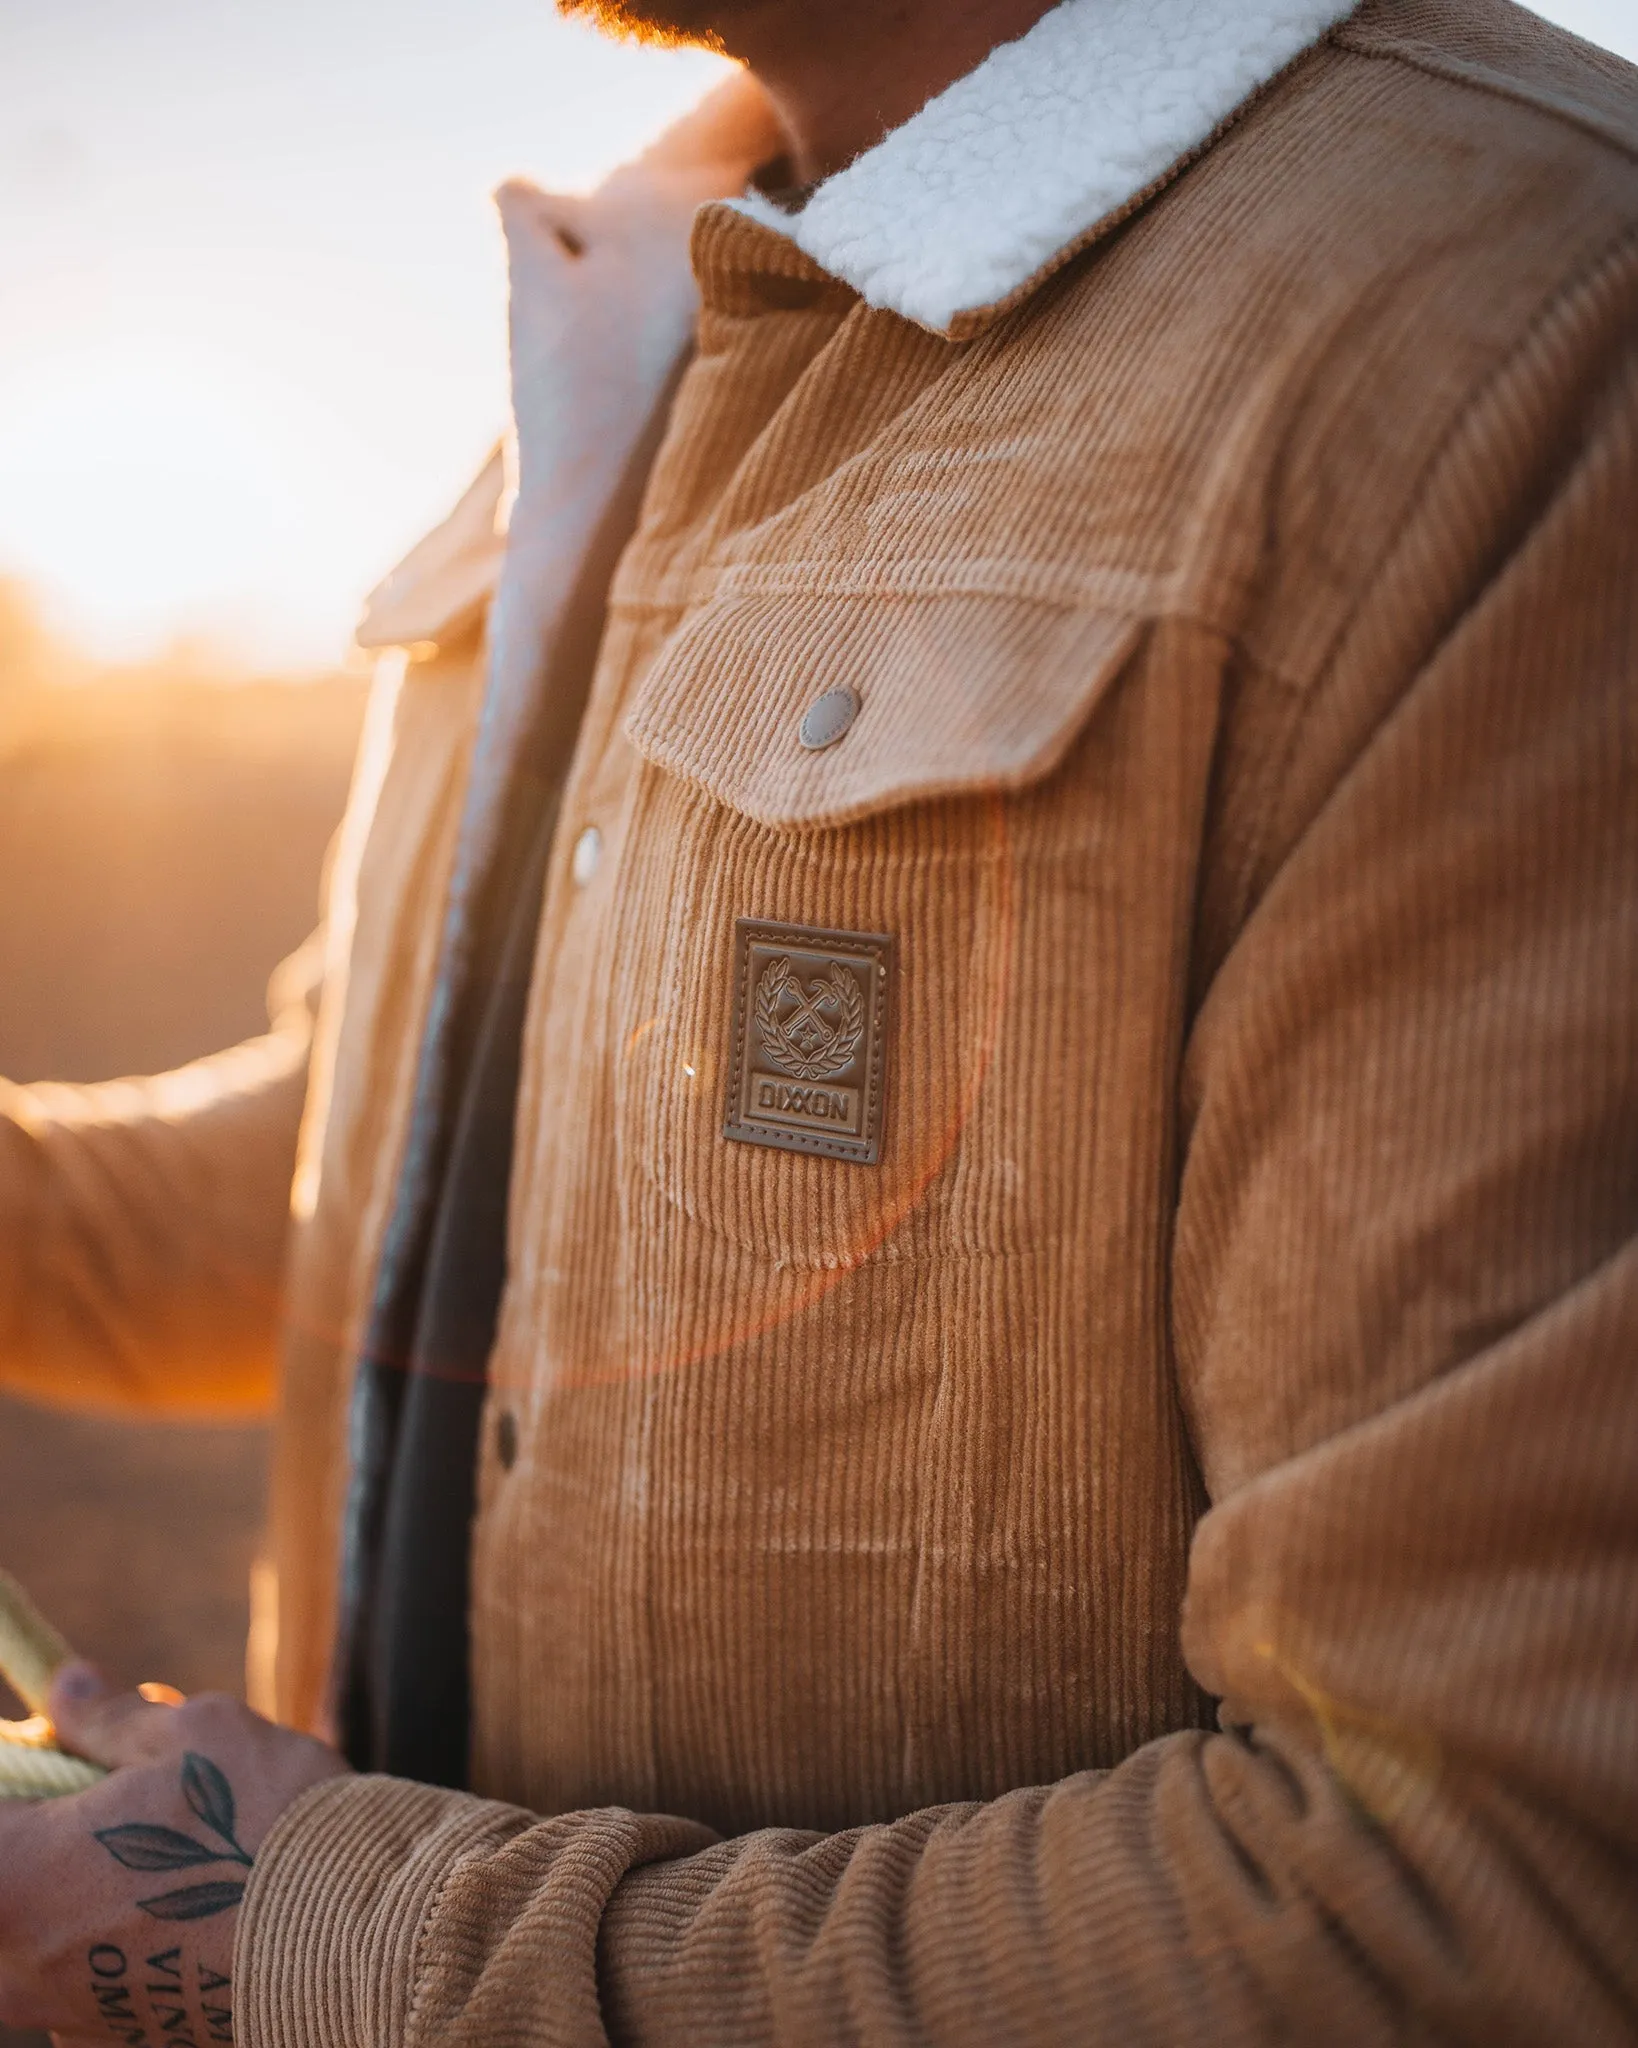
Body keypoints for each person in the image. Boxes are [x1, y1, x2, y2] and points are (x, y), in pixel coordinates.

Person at [2, 0, 1636, 2038]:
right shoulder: (650, 294)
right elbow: (433, 1146)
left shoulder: (1520, 317)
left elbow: (1494, 1900)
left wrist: (335, 1950)